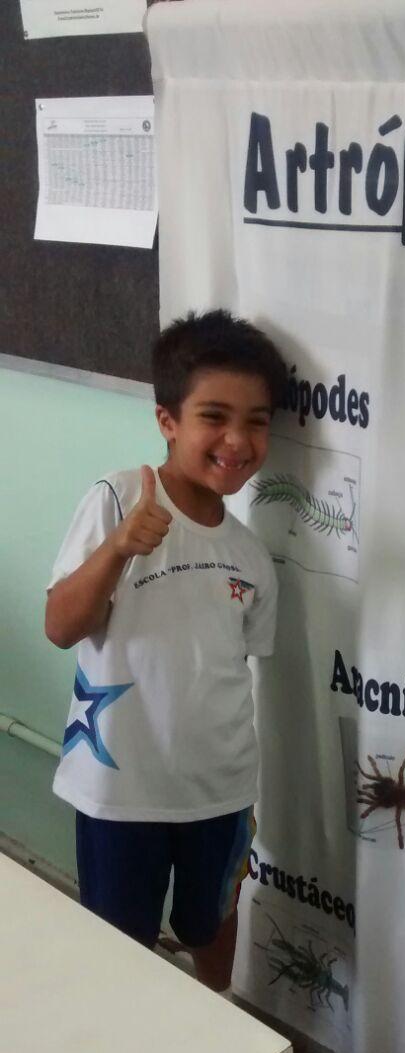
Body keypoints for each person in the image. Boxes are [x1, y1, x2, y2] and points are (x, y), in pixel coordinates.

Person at [45, 309, 286, 994]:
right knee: (119, 944)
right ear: (167, 420)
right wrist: (119, 548)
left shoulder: (249, 554)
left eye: (257, 421)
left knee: (212, 922)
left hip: (220, 789)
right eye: (214, 416)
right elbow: (61, 626)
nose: (237, 440)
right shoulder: (118, 498)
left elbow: (230, 667)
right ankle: (128, 1042)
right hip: (120, 790)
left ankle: (217, 1018)